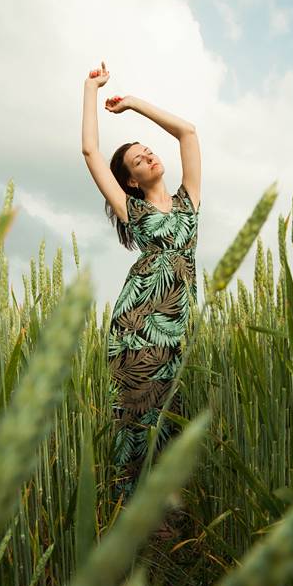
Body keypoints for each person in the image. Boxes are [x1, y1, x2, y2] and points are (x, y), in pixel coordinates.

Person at [81, 60, 201, 522]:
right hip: (138, 328)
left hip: (178, 325)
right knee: (134, 422)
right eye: (137, 159)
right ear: (130, 180)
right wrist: (91, 90)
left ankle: (164, 516)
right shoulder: (131, 208)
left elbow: (187, 133)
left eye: (148, 151)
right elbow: (92, 153)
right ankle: (128, 519)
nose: (148, 156)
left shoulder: (189, 201)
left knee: (169, 419)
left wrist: (133, 105)